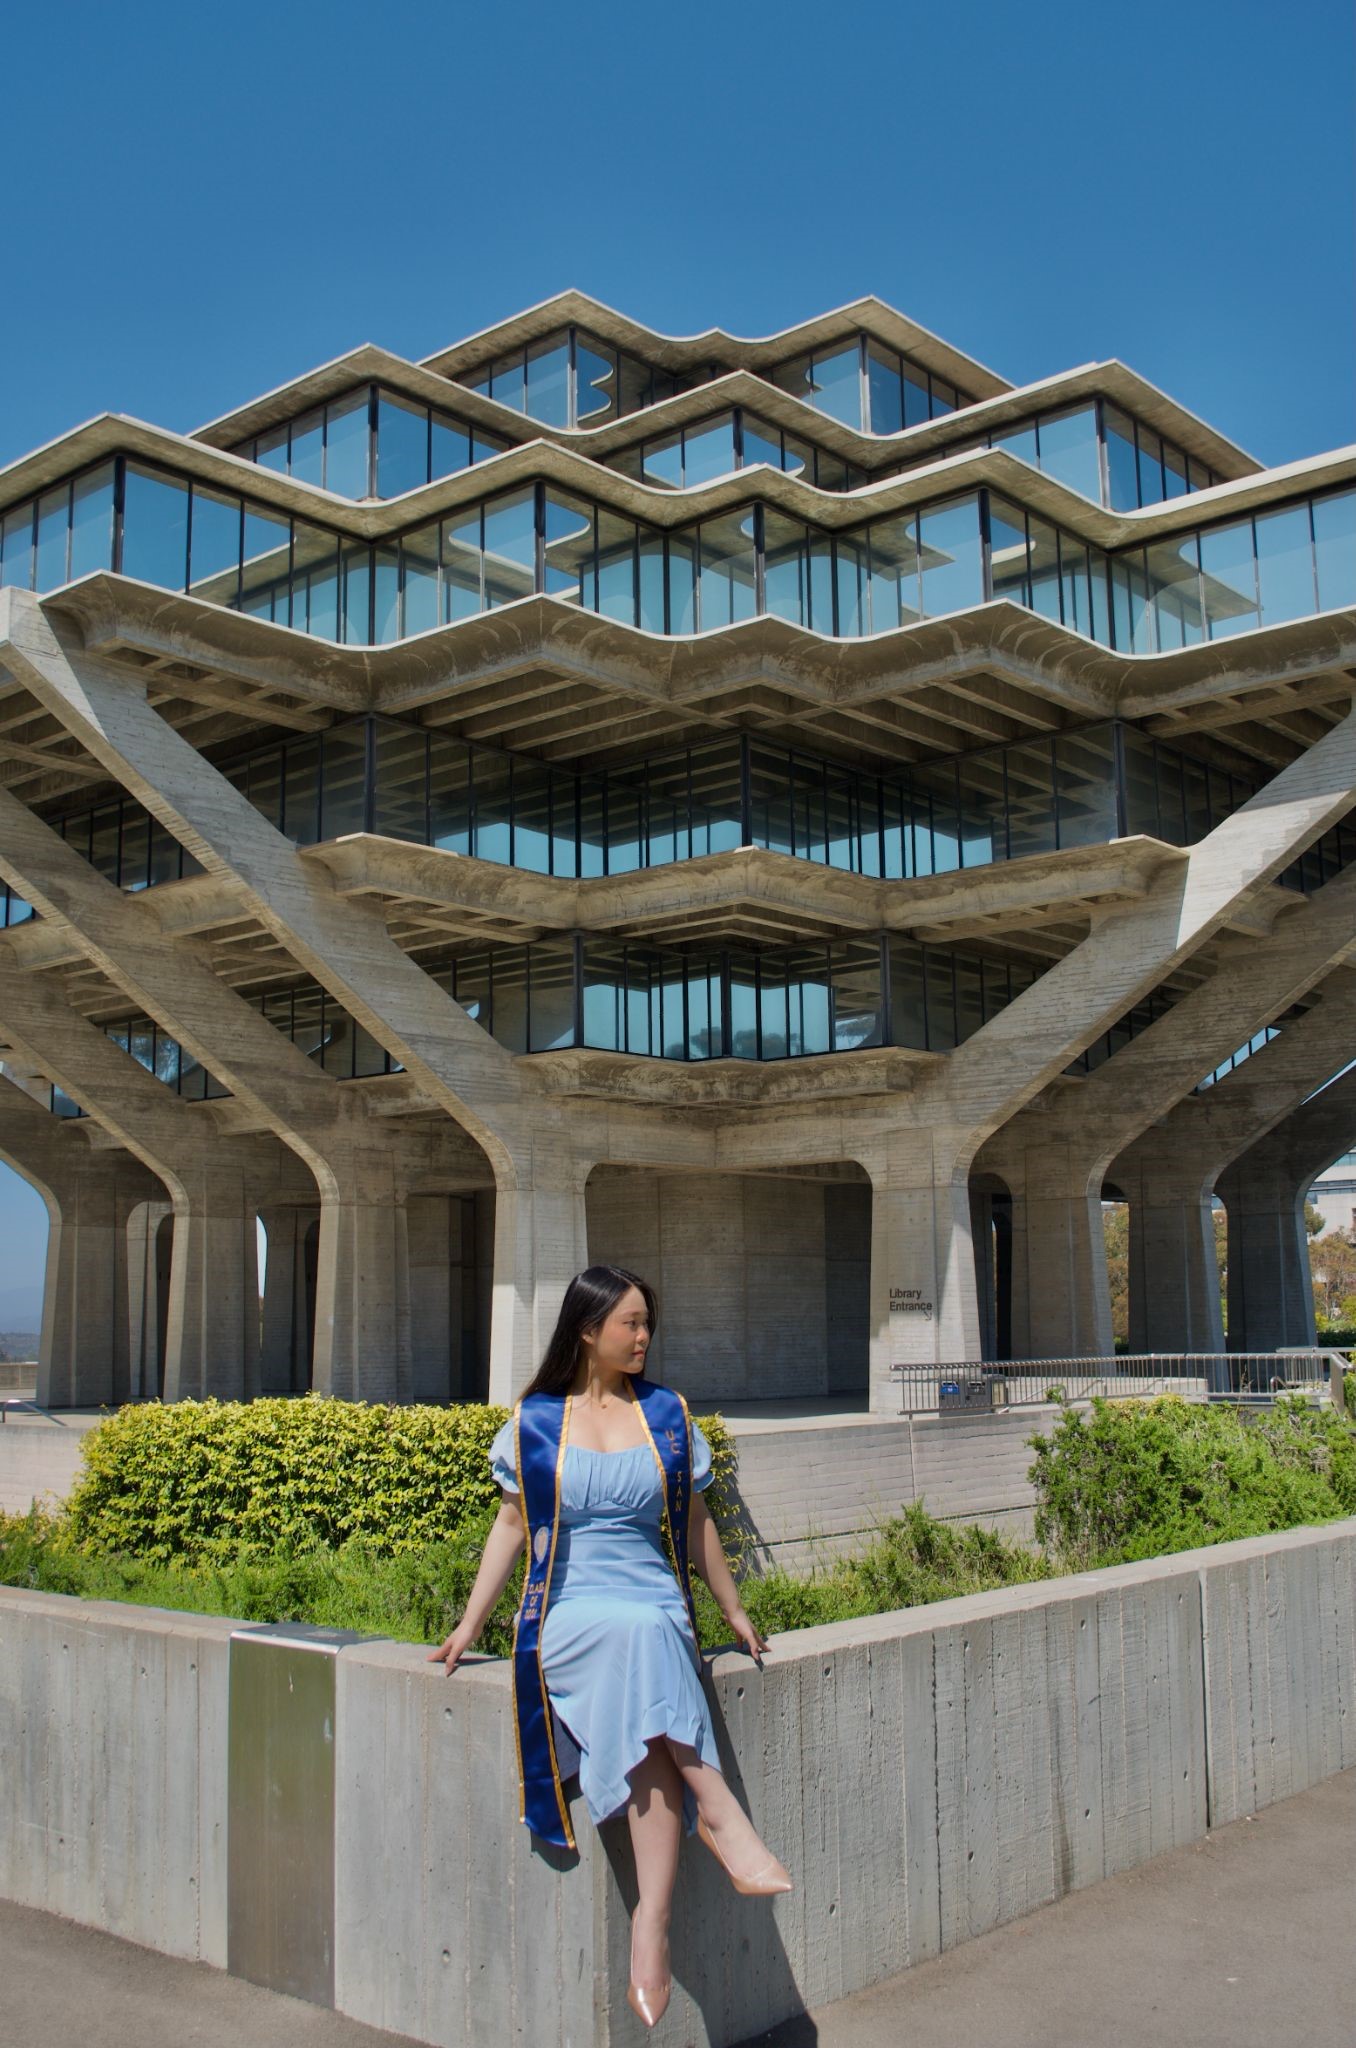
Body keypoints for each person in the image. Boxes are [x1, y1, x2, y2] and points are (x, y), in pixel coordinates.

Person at [427, 1264, 792, 2029]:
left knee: (651, 1645)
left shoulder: (666, 1414)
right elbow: (512, 1527)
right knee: (641, 1639)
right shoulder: (533, 1423)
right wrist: (470, 1623)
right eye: (629, 1324)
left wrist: (731, 1609)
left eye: (647, 1323)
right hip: (568, 1607)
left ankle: (648, 1927)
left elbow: (695, 1524)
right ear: (587, 1331)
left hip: (650, 1597)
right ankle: (720, 1814)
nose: (643, 1337)